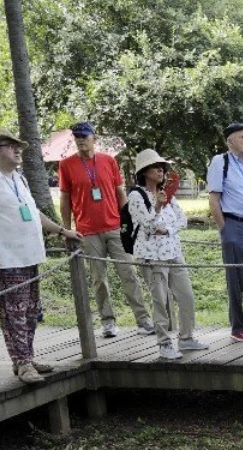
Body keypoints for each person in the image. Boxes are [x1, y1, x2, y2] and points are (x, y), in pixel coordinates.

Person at [0, 129, 81, 383]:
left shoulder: (19, 178)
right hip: (5, 259)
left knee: (30, 312)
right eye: (11, 146)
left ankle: (26, 357)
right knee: (13, 313)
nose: (18, 150)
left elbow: (34, 212)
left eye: (20, 146)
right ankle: (23, 364)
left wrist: (62, 230)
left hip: (29, 256)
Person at [58, 121, 151, 339]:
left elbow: (120, 193)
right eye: (77, 136)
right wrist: (66, 229)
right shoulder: (66, 165)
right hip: (87, 230)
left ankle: (143, 319)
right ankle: (108, 321)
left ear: (94, 139)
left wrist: (127, 223)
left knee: (129, 273)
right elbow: (64, 198)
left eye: (84, 136)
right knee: (98, 278)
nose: (80, 140)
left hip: (115, 226)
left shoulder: (109, 161)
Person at [127, 149, 208, 361]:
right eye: (156, 167)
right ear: (145, 171)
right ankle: (164, 343)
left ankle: (186, 337)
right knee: (160, 301)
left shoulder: (168, 196)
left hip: (173, 252)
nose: (161, 171)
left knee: (186, 295)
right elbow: (147, 226)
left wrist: (168, 228)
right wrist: (157, 207)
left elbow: (182, 220)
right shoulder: (136, 195)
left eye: (162, 167)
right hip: (152, 257)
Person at [207, 122, 243, 342]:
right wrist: (225, 230)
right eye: (242, 137)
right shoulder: (221, 162)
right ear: (230, 141)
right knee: (236, 279)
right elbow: (214, 199)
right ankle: (238, 327)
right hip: (234, 224)